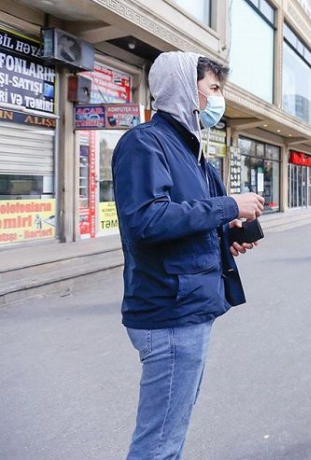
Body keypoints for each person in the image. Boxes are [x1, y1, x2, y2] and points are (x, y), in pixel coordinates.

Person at [112, 51, 265, 459]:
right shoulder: (144, 143)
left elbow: (187, 221)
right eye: (213, 88)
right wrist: (229, 207)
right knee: (159, 444)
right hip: (169, 312)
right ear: (184, 87)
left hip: (190, 307)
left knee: (170, 435)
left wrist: (226, 235)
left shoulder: (193, 150)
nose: (218, 99)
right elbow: (147, 221)